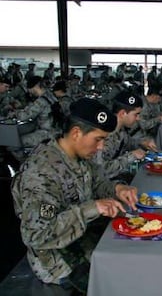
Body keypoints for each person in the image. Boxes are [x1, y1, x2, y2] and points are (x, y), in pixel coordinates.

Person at [11, 98, 139, 293]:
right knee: (121, 280)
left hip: (82, 238)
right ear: (76, 133)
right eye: (98, 139)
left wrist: (117, 189)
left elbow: (98, 182)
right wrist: (91, 208)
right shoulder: (41, 173)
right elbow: (36, 234)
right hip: (59, 261)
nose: (101, 147)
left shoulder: (78, 156)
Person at [93, 90, 157, 180]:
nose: (138, 119)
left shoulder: (120, 129)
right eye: (136, 114)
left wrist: (142, 142)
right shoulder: (105, 135)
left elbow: (128, 142)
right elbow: (101, 169)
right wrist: (131, 156)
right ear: (123, 113)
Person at [8, 76, 59, 148]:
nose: (29, 92)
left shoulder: (41, 100)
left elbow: (25, 116)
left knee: (13, 141)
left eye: (30, 89)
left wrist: (15, 113)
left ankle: (28, 159)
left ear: (36, 86)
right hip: (55, 130)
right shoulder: (50, 95)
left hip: (46, 133)